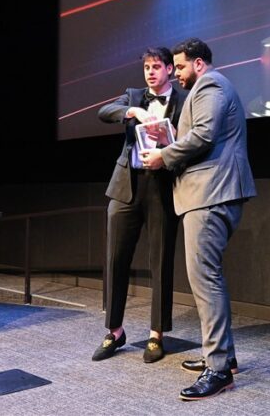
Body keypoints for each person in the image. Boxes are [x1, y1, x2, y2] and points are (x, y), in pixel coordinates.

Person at [141, 38, 256, 400]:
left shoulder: (210, 85)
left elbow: (204, 135)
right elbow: (203, 134)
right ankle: (223, 358)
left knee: (205, 278)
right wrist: (170, 137)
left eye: (180, 66)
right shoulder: (206, 88)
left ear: (199, 64)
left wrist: (163, 156)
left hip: (211, 194)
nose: (176, 73)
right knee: (209, 277)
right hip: (209, 194)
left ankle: (218, 369)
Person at [93, 47, 185, 364]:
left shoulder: (184, 100)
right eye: (146, 67)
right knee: (116, 258)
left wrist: (170, 143)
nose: (150, 72)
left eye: (156, 66)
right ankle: (114, 331)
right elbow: (104, 112)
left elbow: (190, 142)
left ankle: (156, 334)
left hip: (162, 186)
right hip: (126, 186)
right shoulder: (133, 96)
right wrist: (133, 112)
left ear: (169, 69)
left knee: (161, 261)